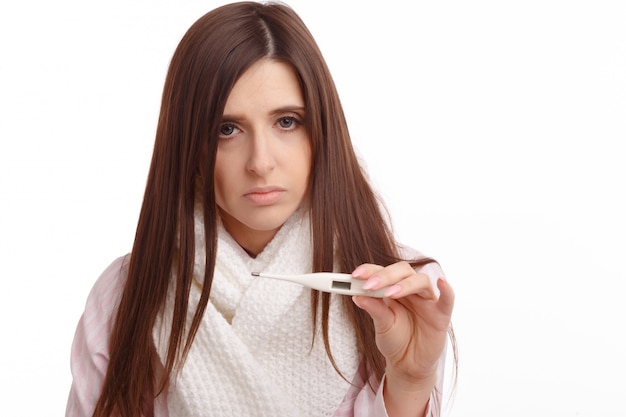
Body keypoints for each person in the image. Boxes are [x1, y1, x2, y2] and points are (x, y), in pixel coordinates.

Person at [65, 2, 456, 416]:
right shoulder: (125, 296)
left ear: (322, 129)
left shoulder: (402, 291)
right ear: (188, 145)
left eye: (286, 122)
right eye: (226, 129)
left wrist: (410, 385)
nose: (260, 162)